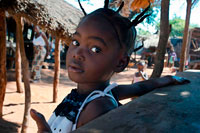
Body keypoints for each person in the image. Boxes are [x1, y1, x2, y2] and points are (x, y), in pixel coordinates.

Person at [30, 1, 190, 132]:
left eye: (95, 49)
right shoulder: (99, 94)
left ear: (120, 62)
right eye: (75, 42)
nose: (77, 53)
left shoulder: (98, 108)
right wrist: (167, 79)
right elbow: (140, 87)